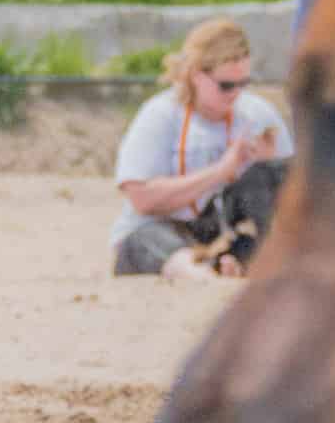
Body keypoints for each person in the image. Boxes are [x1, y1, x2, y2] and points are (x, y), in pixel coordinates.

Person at [110, 17, 287, 278]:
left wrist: (267, 170)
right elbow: (141, 198)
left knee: (276, 178)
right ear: (195, 75)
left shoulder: (258, 115)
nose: (235, 93)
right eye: (225, 85)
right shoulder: (161, 114)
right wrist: (221, 171)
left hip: (222, 232)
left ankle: (228, 263)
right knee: (148, 239)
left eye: (243, 83)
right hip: (160, 231)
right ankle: (203, 273)